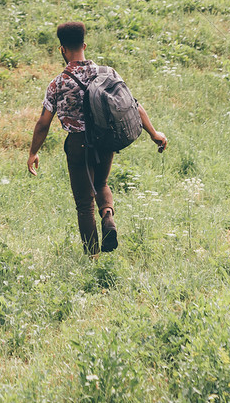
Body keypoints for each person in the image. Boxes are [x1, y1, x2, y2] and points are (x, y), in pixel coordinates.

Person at [27, 20, 167, 255]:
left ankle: (93, 259)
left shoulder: (58, 83)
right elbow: (133, 105)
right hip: (105, 140)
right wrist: (154, 133)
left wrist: (33, 152)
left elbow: (43, 123)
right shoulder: (108, 72)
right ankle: (108, 215)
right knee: (101, 183)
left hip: (77, 144)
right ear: (84, 44)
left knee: (84, 205)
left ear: (62, 49)